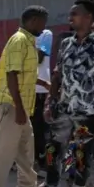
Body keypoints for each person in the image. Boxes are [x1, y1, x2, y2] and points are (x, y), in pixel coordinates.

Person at [27, 0, 94, 187]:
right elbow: (57, 76)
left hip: (89, 113)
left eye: (75, 14)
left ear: (89, 17)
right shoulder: (66, 43)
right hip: (64, 110)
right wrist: (50, 100)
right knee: (52, 153)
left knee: (80, 157)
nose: (70, 17)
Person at [0, 6, 48, 187]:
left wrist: (45, 85)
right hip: (10, 103)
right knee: (2, 149)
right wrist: (18, 108)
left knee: (26, 147)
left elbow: (26, 74)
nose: (44, 27)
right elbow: (12, 75)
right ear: (33, 20)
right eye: (43, 22)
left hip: (20, 105)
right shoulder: (19, 40)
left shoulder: (28, 41)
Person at [32, 29, 52, 168]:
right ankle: (37, 159)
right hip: (28, 89)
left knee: (44, 128)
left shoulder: (46, 34)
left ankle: (44, 160)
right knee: (32, 128)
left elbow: (39, 57)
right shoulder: (22, 36)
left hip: (42, 89)